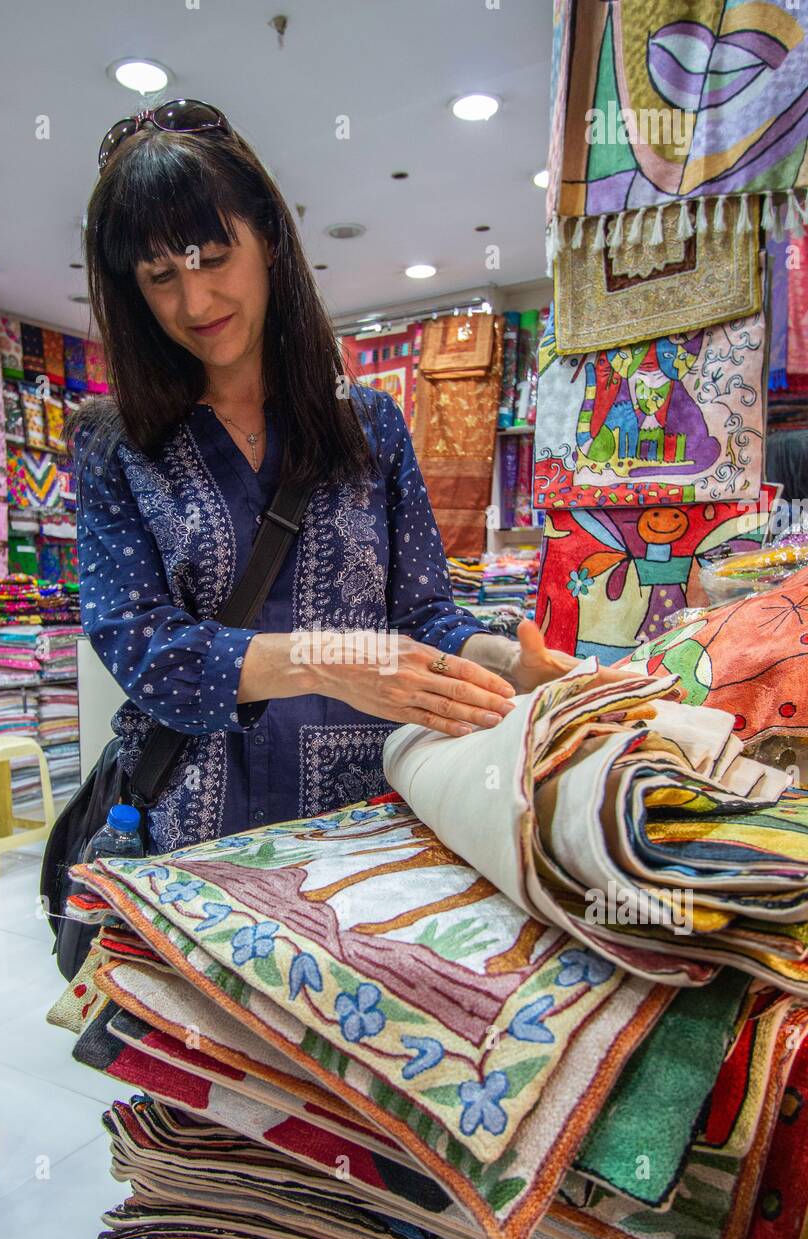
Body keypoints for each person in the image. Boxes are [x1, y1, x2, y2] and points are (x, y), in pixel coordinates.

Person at [73, 99, 591, 854]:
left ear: (272, 241)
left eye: (214, 259)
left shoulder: (368, 424)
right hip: (193, 839)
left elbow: (421, 617)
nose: (195, 302)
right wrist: (333, 659)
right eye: (160, 278)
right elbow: (143, 650)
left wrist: (508, 664)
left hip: (368, 827)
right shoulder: (114, 445)